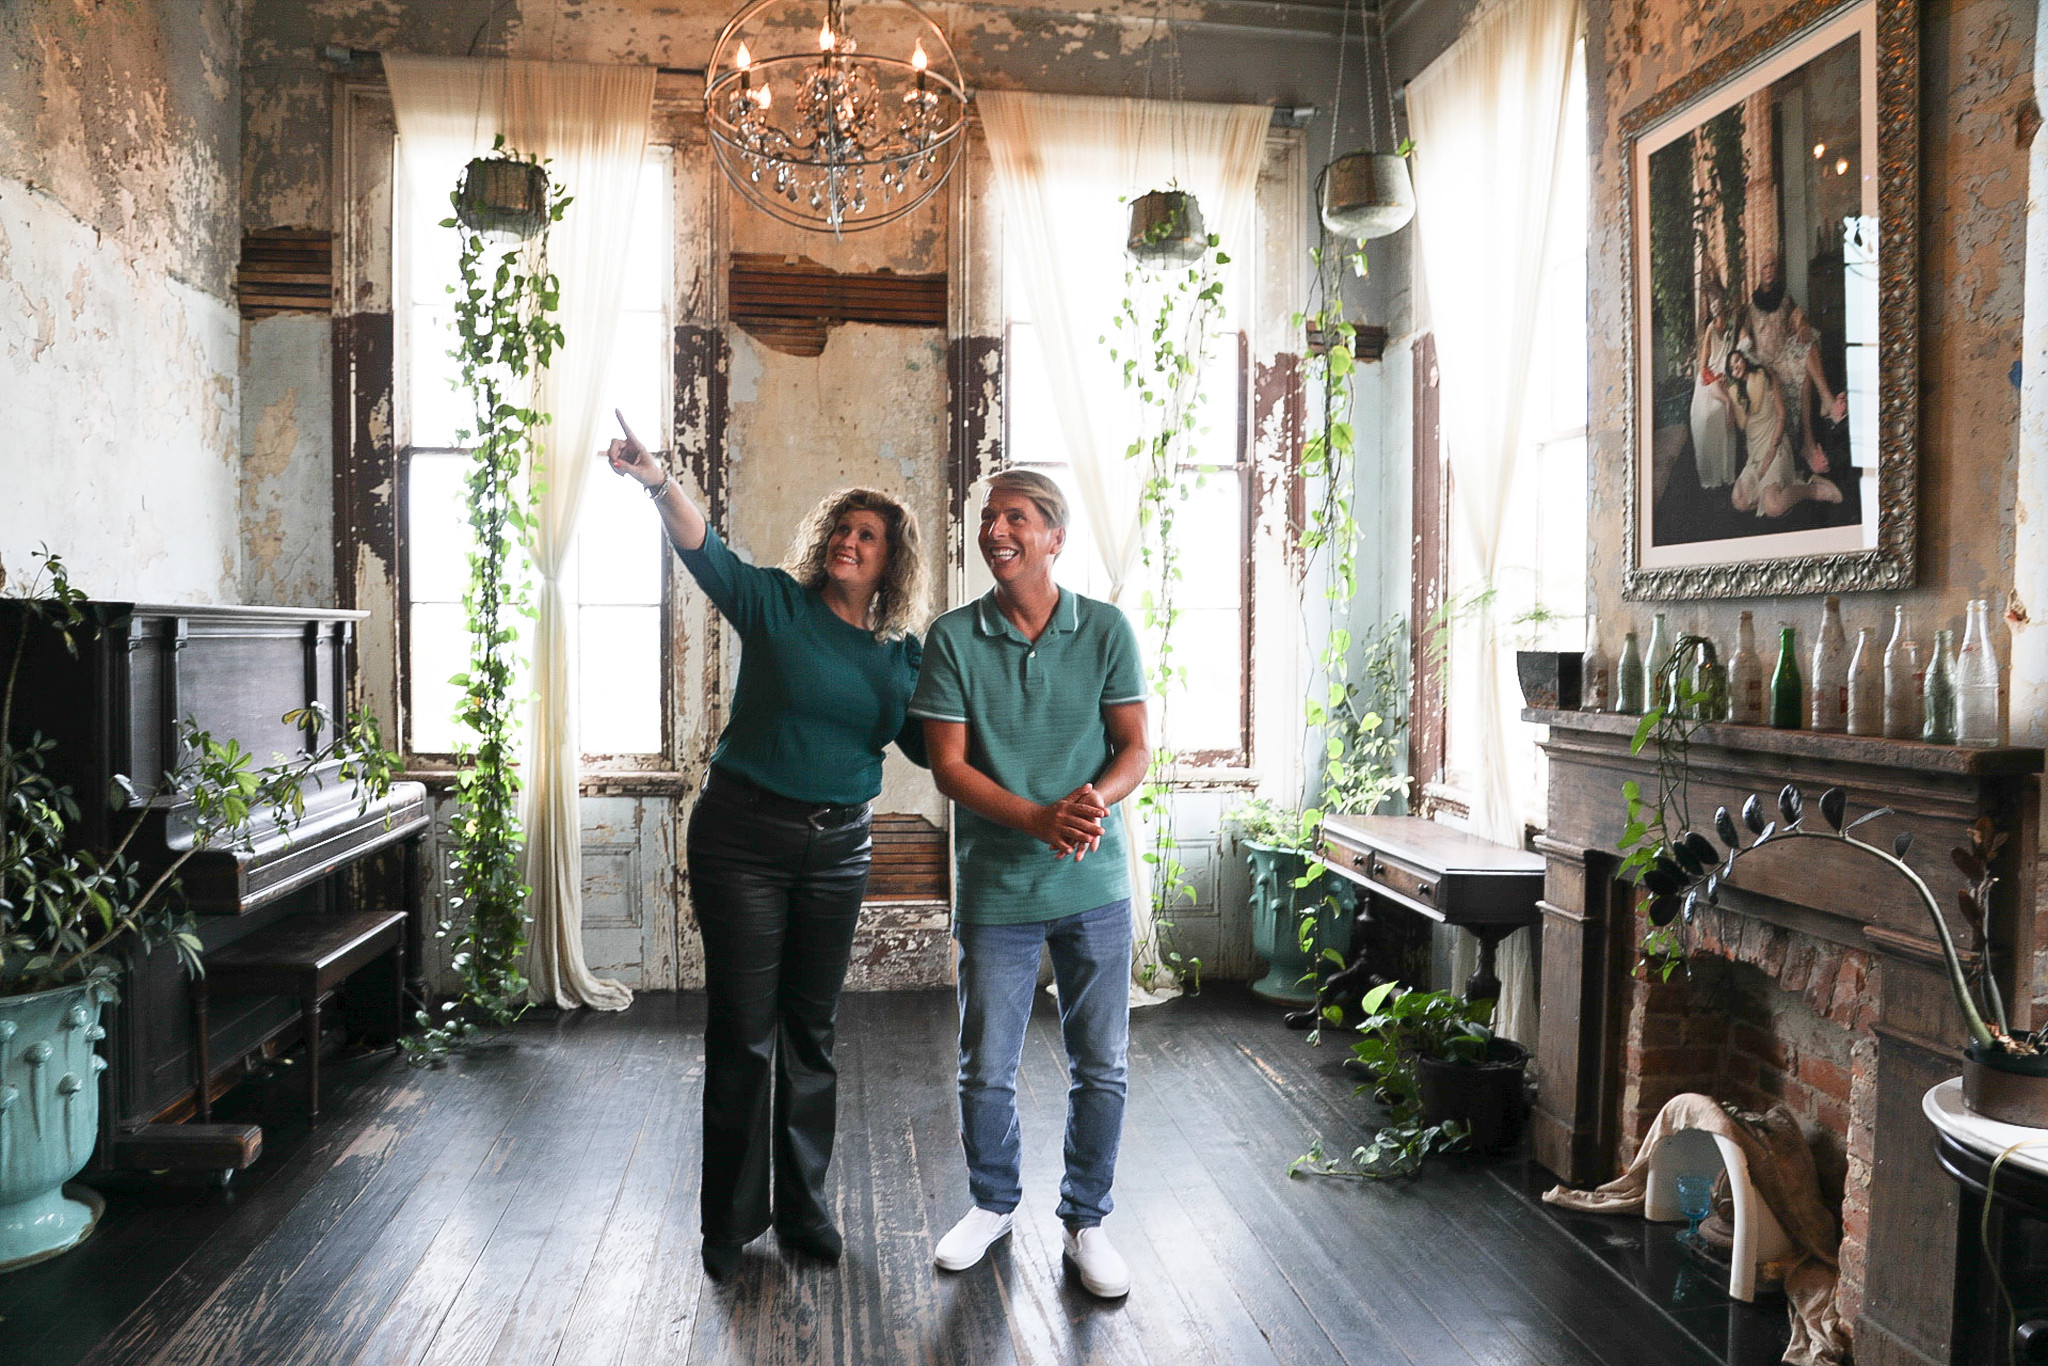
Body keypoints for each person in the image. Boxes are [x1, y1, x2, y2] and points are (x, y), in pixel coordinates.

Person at [606, 416, 928, 1280]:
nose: (846, 542)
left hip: (839, 850)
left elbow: (942, 749)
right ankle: (730, 1220)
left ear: (891, 562)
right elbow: (703, 548)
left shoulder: (901, 660)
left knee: (812, 1032)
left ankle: (804, 1211)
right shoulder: (778, 606)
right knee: (745, 1031)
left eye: (866, 537)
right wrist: (655, 479)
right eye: (841, 529)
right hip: (742, 838)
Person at [908, 470, 1150, 1300]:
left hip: (1094, 881)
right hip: (997, 890)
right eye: (988, 519)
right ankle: (992, 1206)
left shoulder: (1107, 629)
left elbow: (1133, 751)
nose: (996, 531)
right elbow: (947, 769)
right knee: (986, 1068)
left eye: (1015, 517)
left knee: (1102, 1065)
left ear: (1054, 535)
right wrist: (1038, 820)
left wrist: (1093, 802)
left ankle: (1087, 1221)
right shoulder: (952, 638)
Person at [1721, 346, 1843, 518]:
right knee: (1739, 500)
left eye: (1737, 361)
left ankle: (1812, 489)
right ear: (1731, 373)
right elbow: (1731, 427)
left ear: (1744, 360)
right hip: (1756, 454)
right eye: (1732, 367)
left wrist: (1771, 452)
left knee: (1773, 507)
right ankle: (1786, 487)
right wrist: (1726, 400)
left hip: (1776, 446)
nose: (1736, 367)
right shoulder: (1734, 393)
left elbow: (1781, 416)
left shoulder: (1766, 377)